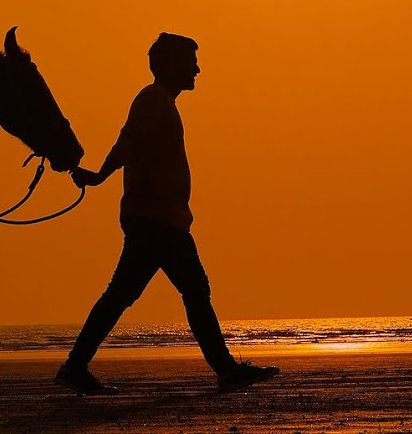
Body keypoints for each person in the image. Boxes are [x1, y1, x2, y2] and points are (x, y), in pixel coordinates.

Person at [56, 33, 278, 395]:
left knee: (133, 294)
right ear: (172, 65)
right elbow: (128, 141)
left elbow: (128, 142)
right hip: (156, 219)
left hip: (160, 217)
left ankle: (76, 367)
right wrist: (99, 176)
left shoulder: (158, 101)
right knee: (185, 291)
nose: (197, 70)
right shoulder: (153, 101)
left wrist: (100, 176)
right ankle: (224, 370)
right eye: (191, 63)